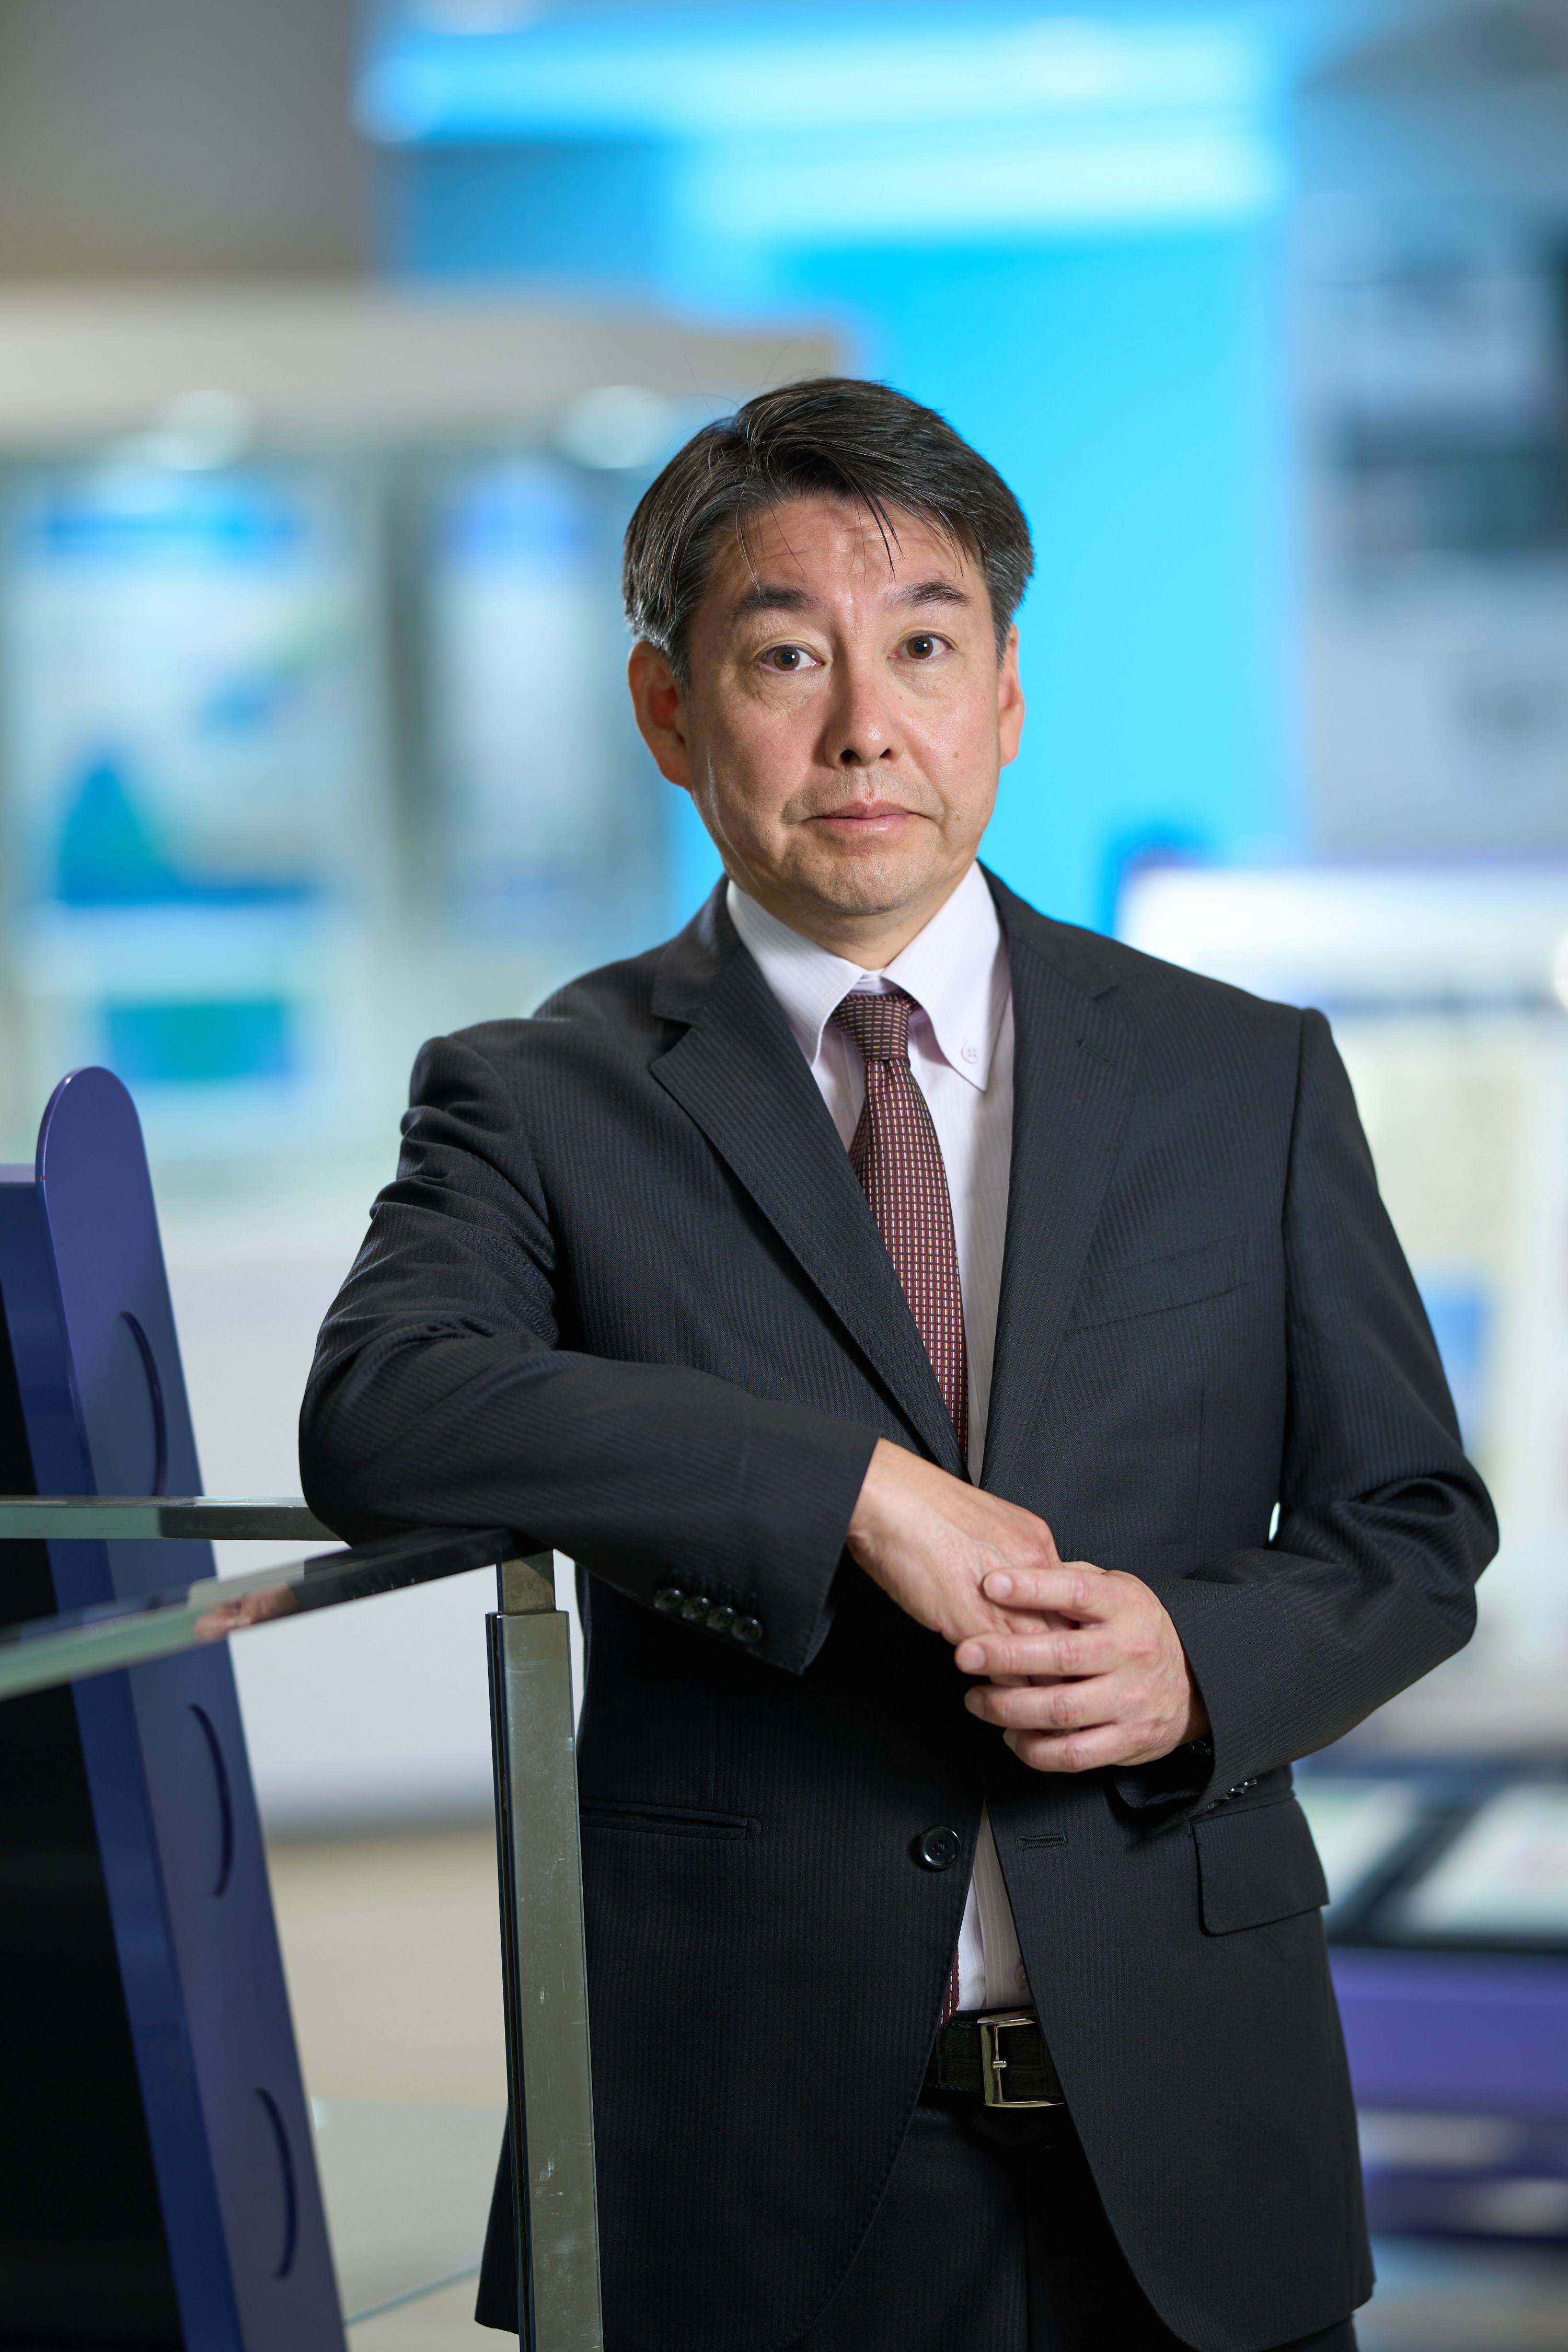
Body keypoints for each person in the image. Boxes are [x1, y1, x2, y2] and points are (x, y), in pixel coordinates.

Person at [299, 378, 1496, 2352]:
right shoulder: (541, 1093)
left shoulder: (1243, 1072)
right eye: (788, 655)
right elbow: (387, 1404)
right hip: (741, 2159)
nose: (866, 725)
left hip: (1193, 2138)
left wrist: (1200, 1665)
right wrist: (850, 1491)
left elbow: (1412, 1526)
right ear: (668, 710)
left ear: (1005, 696)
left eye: (926, 648)